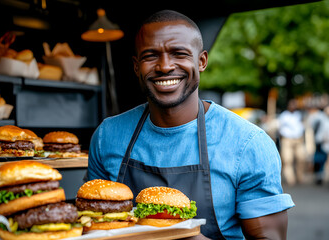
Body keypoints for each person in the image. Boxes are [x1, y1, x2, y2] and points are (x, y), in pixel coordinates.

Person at [88, 10, 294, 240]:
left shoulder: (247, 143)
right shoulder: (108, 136)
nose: (165, 66)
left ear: (202, 61)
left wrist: (188, 236)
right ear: (136, 67)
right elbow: (94, 224)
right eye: (150, 56)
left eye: (179, 53)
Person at [278, 99, 307, 186]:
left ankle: (300, 176)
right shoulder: (284, 116)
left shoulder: (299, 115)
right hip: (287, 140)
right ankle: (291, 179)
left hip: (298, 139)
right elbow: (279, 128)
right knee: (288, 159)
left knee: (301, 158)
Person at [306, 105, 328, 185]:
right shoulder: (320, 118)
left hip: (324, 143)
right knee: (320, 160)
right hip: (321, 142)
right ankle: (319, 176)